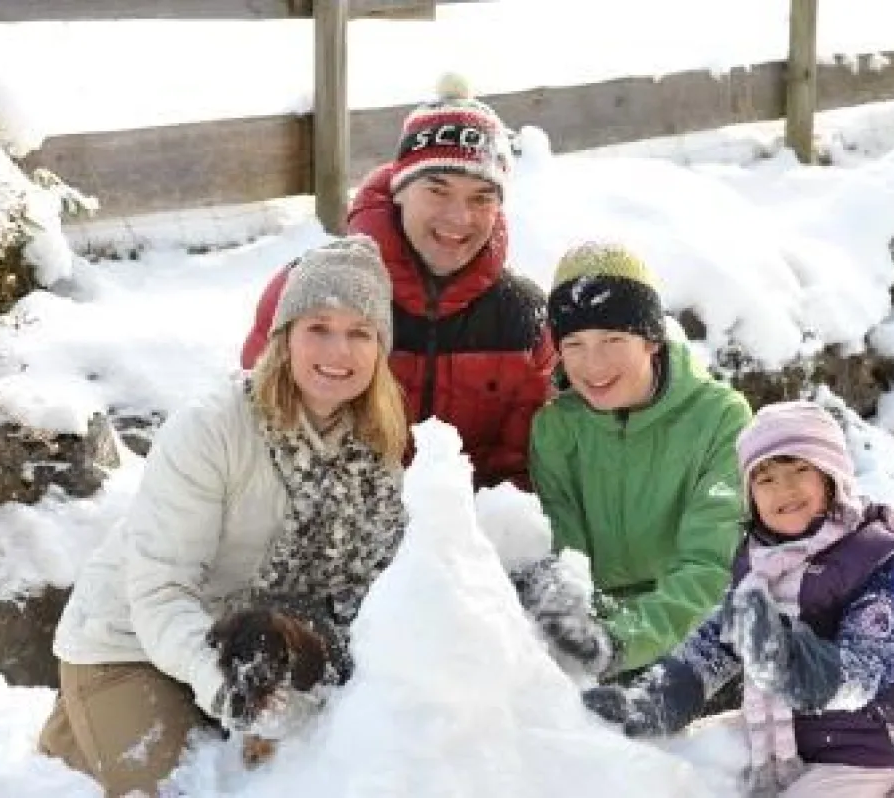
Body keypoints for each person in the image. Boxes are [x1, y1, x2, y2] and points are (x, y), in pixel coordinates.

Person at [37, 236, 410, 796]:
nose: (339, 352)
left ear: (379, 349)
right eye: (319, 328)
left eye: (360, 333)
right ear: (285, 338)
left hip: (260, 648)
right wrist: (232, 692)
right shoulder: (211, 429)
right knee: (188, 788)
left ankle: (87, 732)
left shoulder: (376, 447)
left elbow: (376, 587)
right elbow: (160, 593)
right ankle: (96, 708)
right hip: (133, 642)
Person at [581, 401, 894, 798]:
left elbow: (861, 674)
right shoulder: (762, 567)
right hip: (784, 740)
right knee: (674, 767)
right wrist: (652, 701)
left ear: (833, 477)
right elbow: (711, 650)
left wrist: (783, 655)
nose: (783, 489)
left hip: (869, 755)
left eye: (799, 470)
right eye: (765, 479)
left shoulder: (877, 564)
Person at [241, 75, 555, 490]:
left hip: (459, 538)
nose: (459, 218)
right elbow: (257, 426)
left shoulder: (523, 317)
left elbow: (524, 471)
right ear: (400, 190)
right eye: (437, 190)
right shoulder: (310, 289)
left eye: (481, 197)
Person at [517, 242, 753, 680]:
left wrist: (624, 639)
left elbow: (710, 563)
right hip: (600, 641)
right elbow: (566, 554)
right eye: (575, 343)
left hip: (700, 639)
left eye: (613, 340)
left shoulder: (720, 418)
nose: (593, 365)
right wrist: (586, 632)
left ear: (650, 340)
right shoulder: (556, 429)